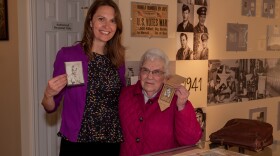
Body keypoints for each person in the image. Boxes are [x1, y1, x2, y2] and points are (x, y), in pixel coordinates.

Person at [41, 0, 126, 155]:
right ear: (90, 22)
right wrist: (48, 95)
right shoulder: (68, 55)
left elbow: (123, 99)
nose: (107, 26)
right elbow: (50, 107)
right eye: (101, 19)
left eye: (112, 20)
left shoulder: (118, 60)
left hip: (111, 142)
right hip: (78, 144)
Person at [119, 48, 202, 156]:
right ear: (140, 73)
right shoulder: (125, 94)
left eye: (156, 72)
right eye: (145, 70)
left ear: (165, 77)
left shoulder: (176, 100)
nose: (149, 76)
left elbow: (190, 140)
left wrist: (182, 107)